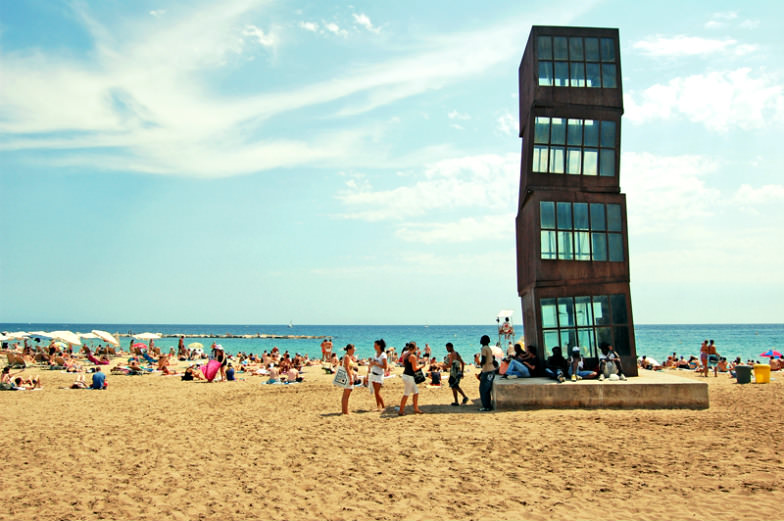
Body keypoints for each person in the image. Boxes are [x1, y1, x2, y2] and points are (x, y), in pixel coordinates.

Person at [399, 343, 424, 415]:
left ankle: (416, 409)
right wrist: (421, 366)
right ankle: (401, 411)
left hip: (405, 375)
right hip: (409, 377)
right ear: (414, 348)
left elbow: (403, 363)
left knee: (416, 392)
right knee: (406, 394)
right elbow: (414, 369)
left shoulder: (405, 354)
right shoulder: (413, 356)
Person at [368, 339, 387, 411]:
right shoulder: (375, 354)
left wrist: (377, 364)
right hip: (373, 373)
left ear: (379, 346)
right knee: (376, 392)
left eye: (375, 345)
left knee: (377, 392)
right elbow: (374, 363)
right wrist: (371, 362)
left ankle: (383, 406)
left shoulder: (383, 355)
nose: (374, 347)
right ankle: (378, 406)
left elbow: (385, 366)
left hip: (379, 375)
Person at [478, 335, 495, 411]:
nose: (480, 340)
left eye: (481, 339)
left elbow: (484, 360)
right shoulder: (489, 348)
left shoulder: (484, 348)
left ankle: (486, 406)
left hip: (487, 371)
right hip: (491, 370)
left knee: (483, 389)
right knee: (487, 389)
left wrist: (479, 363)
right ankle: (488, 405)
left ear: (484, 341)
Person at [340, 344, 356, 415]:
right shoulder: (346, 357)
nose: (354, 350)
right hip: (347, 376)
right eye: (353, 349)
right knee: (346, 394)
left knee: (346, 394)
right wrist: (350, 378)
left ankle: (345, 410)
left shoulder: (348, 356)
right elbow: (347, 368)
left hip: (348, 376)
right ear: (349, 349)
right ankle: (345, 411)